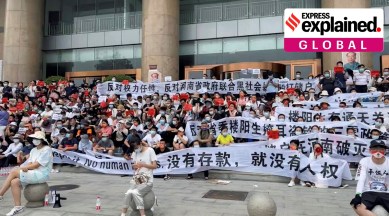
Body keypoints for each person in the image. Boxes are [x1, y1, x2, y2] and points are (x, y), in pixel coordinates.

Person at [0, 131, 52, 216]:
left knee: (14, 171)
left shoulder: (47, 149)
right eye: (34, 138)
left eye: (37, 139)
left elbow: (37, 164)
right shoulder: (33, 150)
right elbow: (31, 163)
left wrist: (25, 168)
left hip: (42, 174)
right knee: (14, 182)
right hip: (33, 172)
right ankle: (18, 207)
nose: (35, 140)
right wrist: (25, 167)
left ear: (42, 140)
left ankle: (0, 194)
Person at [350, 140, 389, 215]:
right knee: (355, 204)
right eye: (375, 148)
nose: (378, 151)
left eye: (381, 149)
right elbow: (361, 179)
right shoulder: (364, 161)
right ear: (370, 150)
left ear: (385, 150)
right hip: (369, 191)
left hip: (386, 193)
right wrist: (358, 194)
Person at [121, 140, 157, 216]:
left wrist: (144, 165)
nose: (136, 149)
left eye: (136, 147)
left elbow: (154, 166)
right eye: (134, 149)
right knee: (128, 193)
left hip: (147, 178)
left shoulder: (150, 150)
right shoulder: (135, 152)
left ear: (140, 143)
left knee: (135, 193)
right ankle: (123, 213)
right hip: (138, 178)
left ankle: (143, 214)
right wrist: (135, 166)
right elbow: (135, 165)